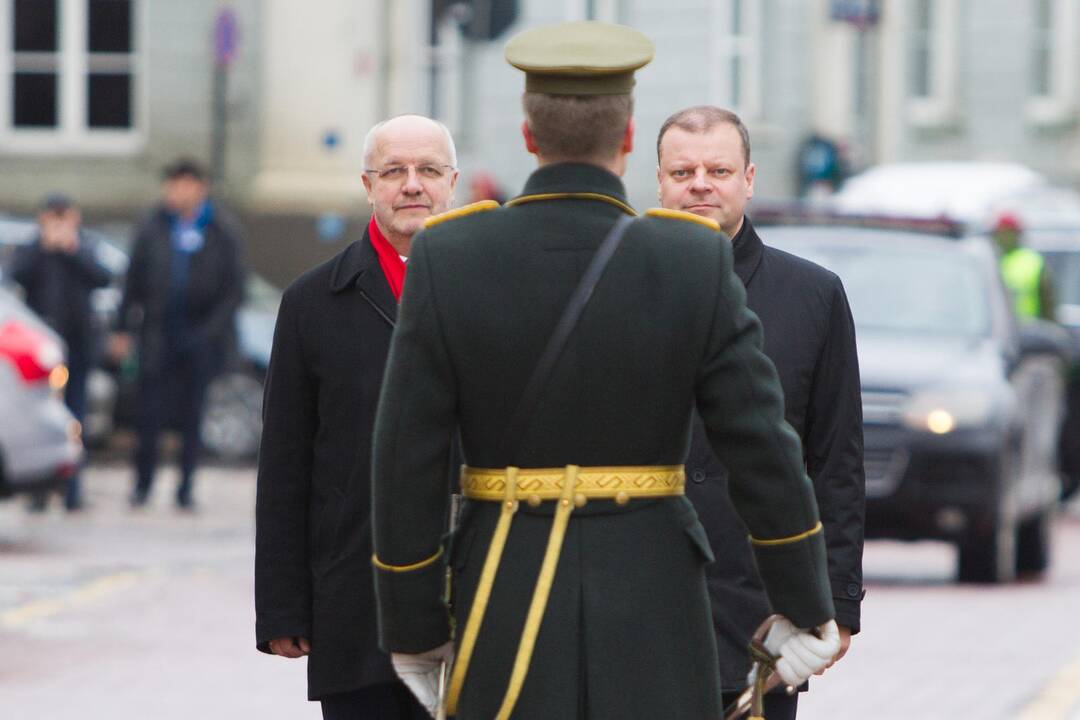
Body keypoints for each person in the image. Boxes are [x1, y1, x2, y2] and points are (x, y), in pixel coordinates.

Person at [371, 22, 840, 720]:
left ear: (528, 135)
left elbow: (405, 455)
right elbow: (762, 447)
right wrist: (806, 607)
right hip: (653, 594)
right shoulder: (691, 259)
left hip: (505, 587)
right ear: (627, 140)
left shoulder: (450, 255)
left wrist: (414, 627)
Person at [657, 106, 865, 719]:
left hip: (763, 614)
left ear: (749, 179)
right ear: (660, 182)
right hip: (639, 610)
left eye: (718, 169)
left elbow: (836, 462)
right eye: (683, 170)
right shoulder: (612, 289)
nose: (700, 183)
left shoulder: (813, 296)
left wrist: (837, 606)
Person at [255, 114, 462, 720]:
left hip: (473, 593)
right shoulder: (312, 302)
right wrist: (283, 608)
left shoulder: (495, 292)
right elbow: (286, 464)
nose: (412, 185)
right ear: (368, 186)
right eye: (393, 171)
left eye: (428, 170)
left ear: (452, 182)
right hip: (355, 596)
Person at [112, 158, 245, 510]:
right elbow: (132, 281)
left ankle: (185, 487)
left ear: (200, 188)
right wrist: (122, 328)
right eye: (172, 185)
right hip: (157, 334)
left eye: (184, 184)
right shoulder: (152, 225)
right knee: (148, 413)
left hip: (200, 337)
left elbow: (234, 290)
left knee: (192, 415)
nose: (176, 192)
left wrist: (210, 332)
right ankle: (143, 484)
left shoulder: (221, 229)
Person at [11, 193, 112, 511]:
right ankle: (39, 492)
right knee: (39, 420)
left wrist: (71, 248)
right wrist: (44, 245)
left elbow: (102, 276)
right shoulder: (32, 247)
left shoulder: (83, 245)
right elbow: (14, 274)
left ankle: (72, 491)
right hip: (40, 354)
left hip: (77, 347)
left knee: (75, 418)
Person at [992, 213, 1056, 322]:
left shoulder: (1032, 261)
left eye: (1008, 233)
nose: (1005, 238)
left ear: (1017, 235)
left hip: (1029, 330)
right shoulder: (989, 260)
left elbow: (1048, 304)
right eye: (1002, 233)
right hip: (998, 329)